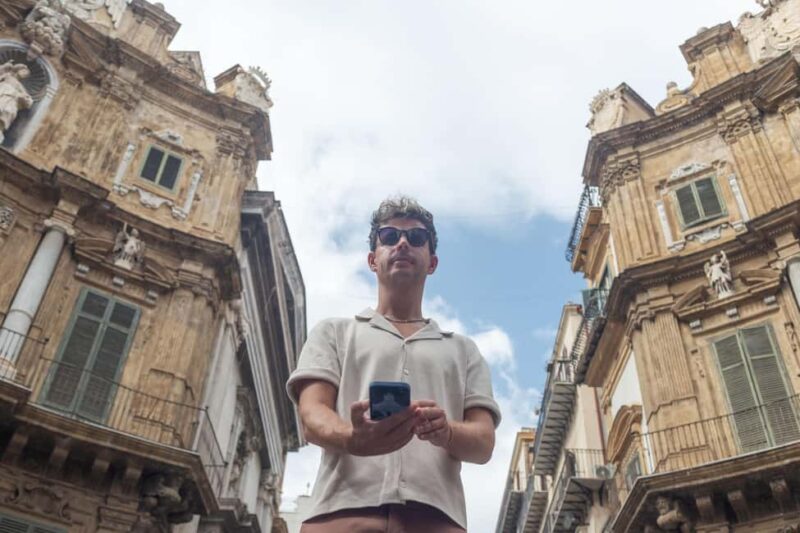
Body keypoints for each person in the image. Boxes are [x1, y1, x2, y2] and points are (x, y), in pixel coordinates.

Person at [286, 196, 500, 532]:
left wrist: (446, 431)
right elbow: (312, 416)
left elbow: (484, 442)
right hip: (341, 514)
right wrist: (352, 437)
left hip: (436, 519)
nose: (402, 243)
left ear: (432, 262)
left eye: (416, 238)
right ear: (373, 259)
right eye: (389, 237)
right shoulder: (334, 332)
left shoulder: (464, 350)